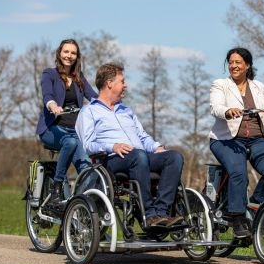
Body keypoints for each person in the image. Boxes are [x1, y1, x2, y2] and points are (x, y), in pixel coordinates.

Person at [76, 63, 184, 227]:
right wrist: (112, 146)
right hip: (110, 160)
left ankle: (161, 213)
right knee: (138, 156)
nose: (125, 85)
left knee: (174, 157)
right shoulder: (89, 111)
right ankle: (148, 215)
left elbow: (142, 136)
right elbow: (88, 144)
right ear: (109, 83)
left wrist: (156, 147)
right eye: (122, 81)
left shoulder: (126, 111)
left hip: (138, 156)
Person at [208, 47, 264, 238]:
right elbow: (216, 106)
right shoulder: (221, 85)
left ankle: (255, 203)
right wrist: (227, 111)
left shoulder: (257, 86)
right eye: (231, 62)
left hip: (256, 139)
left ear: (247, 65)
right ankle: (237, 218)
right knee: (239, 172)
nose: (233, 66)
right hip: (227, 140)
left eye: (238, 62)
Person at [36, 38, 97, 210]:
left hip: (73, 132)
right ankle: (56, 190)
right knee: (69, 142)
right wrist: (53, 105)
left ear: (77, 57)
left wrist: (109, 103)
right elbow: (47, 95)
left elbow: (93, 96)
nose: (69, 56)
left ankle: (77, 207)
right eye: (66, 52)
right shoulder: (50, 74)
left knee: (89, 171)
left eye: (73, 53)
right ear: (59, 53)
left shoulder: (79, 78)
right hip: (51, 129)